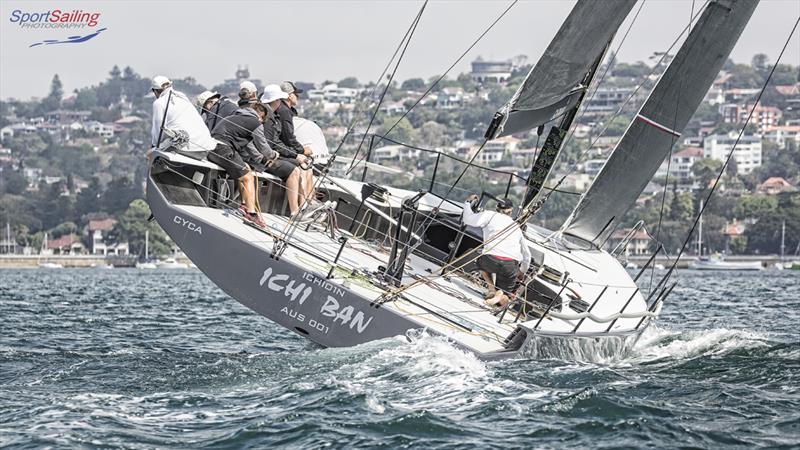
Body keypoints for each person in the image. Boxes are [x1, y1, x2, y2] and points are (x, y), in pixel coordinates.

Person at [237, 86, 305, 216]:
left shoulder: (269, 114)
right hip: (260, 159)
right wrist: (294, 155)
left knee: (299, 166)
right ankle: (295, 211)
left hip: (260, 155)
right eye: (279, 99)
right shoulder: (268, 117)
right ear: (275, 101)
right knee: (294, 170)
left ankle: (303, 207)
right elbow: (268, 144)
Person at [207, 101, 273, 228]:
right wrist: (273, 156)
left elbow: (250, 147)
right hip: (224, 149)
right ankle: (251, 214)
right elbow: (263, 146)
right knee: (248, 177)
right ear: (260, 115)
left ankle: (244, 205)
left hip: (214, 147)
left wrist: (262, 160)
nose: (262, 122)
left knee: (246, 169)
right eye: (263, 119)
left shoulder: (237, 117)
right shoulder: (255, 122)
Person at [462, 195, 531, 308]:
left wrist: (468, 202)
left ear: (497, 208)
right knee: (505, 297)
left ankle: (491, 289)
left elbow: (467, 219)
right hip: (510, 266)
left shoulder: (489, 215)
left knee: (480, 263)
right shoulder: (516, 227)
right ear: (511, 211)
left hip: (490, 260)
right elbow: (527, 255)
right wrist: (522, 272)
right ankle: (500, 295)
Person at [150, 76, 217, 156]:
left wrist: (153, 147)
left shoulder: (159, 103)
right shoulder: (182, 96)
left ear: (155, 91)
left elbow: (157, 137)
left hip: (188, 148)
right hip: (207, 147)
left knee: (153, 153)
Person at [273, 83, 315, 204]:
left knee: (308, 168)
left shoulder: (284, 109)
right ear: (288, 96)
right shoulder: (285, 111)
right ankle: (304, 205)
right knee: (305, 166)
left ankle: (309, 202)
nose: (298, 97)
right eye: (296, 94)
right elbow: (288, 137)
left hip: (282, 148)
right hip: (280, 150)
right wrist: (302, 151)